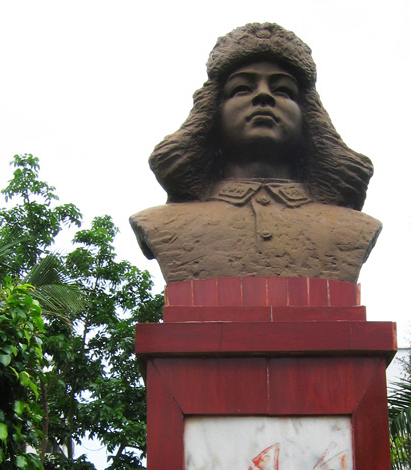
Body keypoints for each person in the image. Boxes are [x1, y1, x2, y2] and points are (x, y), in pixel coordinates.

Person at [130, 22, 382, 283]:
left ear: (308, 116)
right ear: (212, 111)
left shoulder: (353, 228)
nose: (263, 96)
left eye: (283, 90)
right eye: (242, 88)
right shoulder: (162, 224)